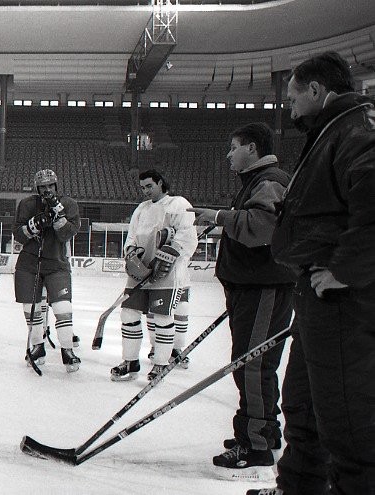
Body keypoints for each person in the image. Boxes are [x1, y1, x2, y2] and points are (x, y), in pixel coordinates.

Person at [249, 51, 375, 495]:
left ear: (317, 90)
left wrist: (346, 270)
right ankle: (298, 487)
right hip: (317, 301)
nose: (291, 107)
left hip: (345, 302)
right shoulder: (334, 129)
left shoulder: (358, 128)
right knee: (303, 405)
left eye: (294, 97)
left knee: (346, 422)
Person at [188, 122, 295, 477]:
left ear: (251, 148)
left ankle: (257, 446)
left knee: (252, 365)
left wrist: (218, 217)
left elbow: (261, 228)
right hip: (252, 288)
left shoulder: (269, 180)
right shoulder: (259, 180)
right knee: (253, 364)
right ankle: (261, 431)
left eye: (233, 147)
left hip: (263, 287)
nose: (229, 154)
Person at [112, 169, 196, 381]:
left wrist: (166, 258)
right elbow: (131, 237)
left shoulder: (178, 204)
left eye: (149, 186)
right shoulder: (141, 208)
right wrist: (131, 254)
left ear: (160, 183)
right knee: (128, 313)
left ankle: (160, 364)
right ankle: (130, 361)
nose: (146, 191)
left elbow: (187, 237)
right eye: (142, 188)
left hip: (166, 274)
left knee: (162, 316)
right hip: (140, 271)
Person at [13, 169, 81, 372]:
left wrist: (58, 217)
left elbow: (68, 233)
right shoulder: (26, 204)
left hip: (56, 263)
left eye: (50, 186)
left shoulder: (68, 204)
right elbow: (18, 234)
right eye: (42, 187)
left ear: (56, 186)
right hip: (29, 264)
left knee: (62, 309)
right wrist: (33, 226)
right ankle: (37, 347)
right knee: (31, 309)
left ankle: (67, 350)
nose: (47, 190)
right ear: (37, 188)